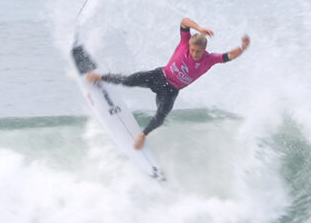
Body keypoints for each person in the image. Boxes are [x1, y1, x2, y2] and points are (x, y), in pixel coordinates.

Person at [87, 18, 250, 149]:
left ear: (204, 50)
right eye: (192, 50)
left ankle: (142, 136)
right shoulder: (185, 43)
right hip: (159, 76)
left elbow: (228, 56)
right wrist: (199, 28)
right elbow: (184, 21)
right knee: (129, 80)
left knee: (160, 116)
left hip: (170, 91)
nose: (194, 53)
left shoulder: (209, 59)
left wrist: (242, 48)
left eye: (198, 52)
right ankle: (100, 77)